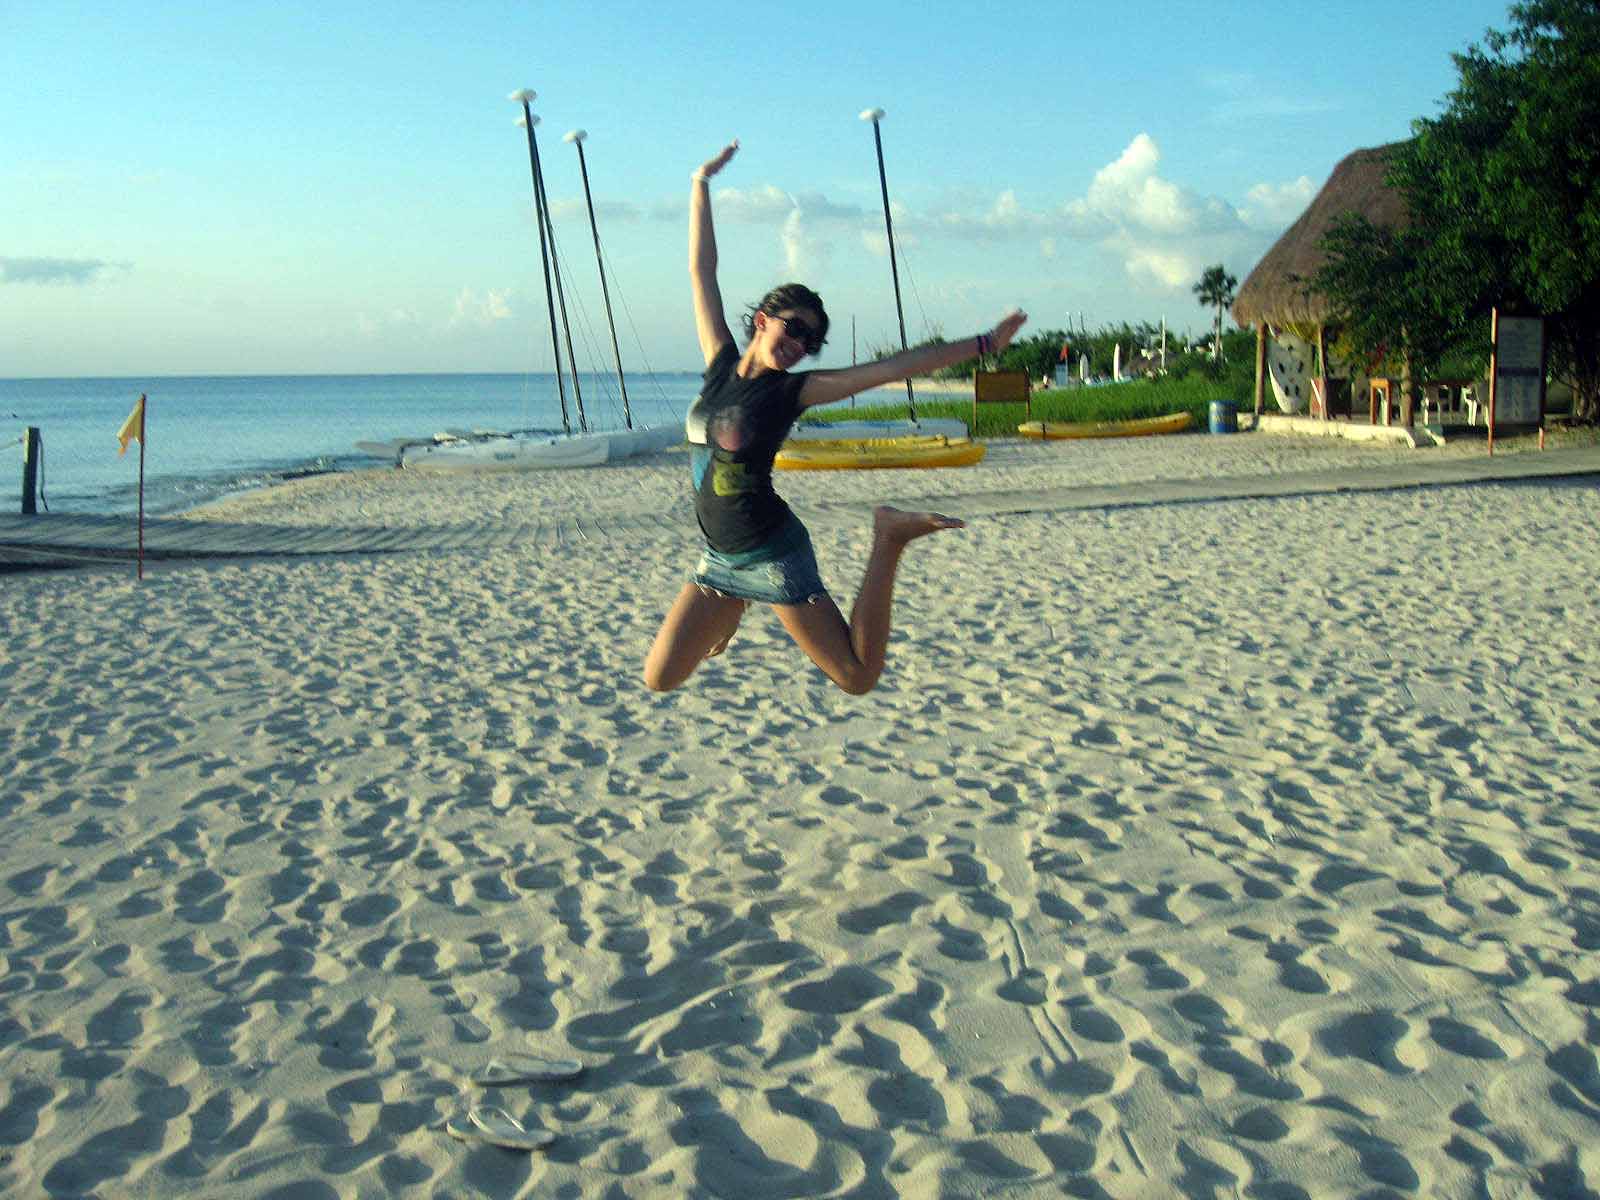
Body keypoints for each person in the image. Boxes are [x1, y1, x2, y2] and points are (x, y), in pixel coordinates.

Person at [643, 140, 1027, 695]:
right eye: (795, 328)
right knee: (660, 678)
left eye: (812, 342)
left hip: (772, 552)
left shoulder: (792, 391)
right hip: (718, 558)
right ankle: (735, 606)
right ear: (762, 319)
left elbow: (892, 367)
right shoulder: (719, 364)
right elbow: (701, 272)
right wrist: (700, 182)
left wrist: (985, 343)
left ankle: (889, 537)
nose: (801, 345)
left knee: (856, 675)